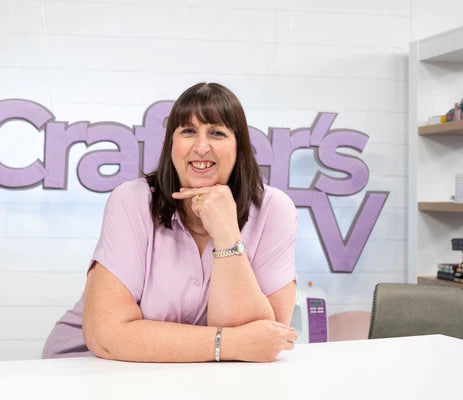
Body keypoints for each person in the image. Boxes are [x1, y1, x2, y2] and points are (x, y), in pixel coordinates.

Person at [42, 82, 298, 362]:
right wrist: (230, 343)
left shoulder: (274, 210)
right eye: (188, 131)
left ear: (239, 147)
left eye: (217, 133)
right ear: (171, 144)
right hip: (90, 363)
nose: (201, 147)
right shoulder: (131, 201)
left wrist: (227, 234)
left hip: (193, 372)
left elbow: (267, 340)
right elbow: (107, 335)